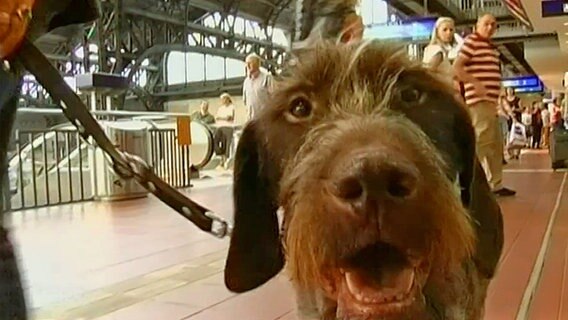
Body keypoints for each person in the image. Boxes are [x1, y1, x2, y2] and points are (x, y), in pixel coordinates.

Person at [453, 13, 516, 197]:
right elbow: (457, 67)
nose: (490, 28)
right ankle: (471, 185)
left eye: (493, 25)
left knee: (495, 144)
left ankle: (496, 184)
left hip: (490, 103)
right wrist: (475, 82)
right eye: (486, 24)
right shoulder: (472, 42)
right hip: (478, 102)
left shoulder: (490, 47)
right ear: (477, 26)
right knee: (481, 142)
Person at [422, 17, 463, 88]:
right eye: (445, 30)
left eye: (451, 30)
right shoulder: (438, 51)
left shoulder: (432, 48)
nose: (449, 33)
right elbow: (429, 72)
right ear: (437, 32)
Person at [242, 53, 272, 121]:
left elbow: (275, 98)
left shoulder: (267, 78)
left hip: (265, 119)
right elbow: (245, 101)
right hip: (251, 120)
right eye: (246, 63)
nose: (248, 66)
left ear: (258, 64)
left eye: (250, 63)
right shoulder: (246, 81)